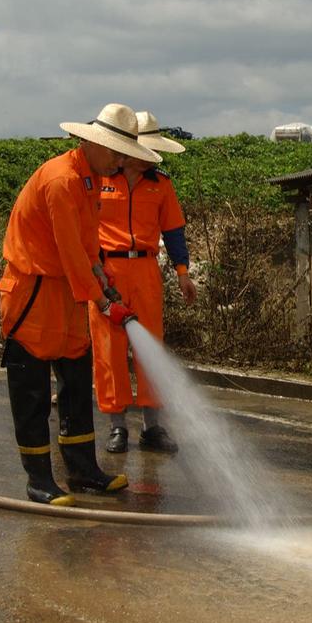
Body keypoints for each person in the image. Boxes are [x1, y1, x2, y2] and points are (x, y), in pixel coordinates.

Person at [0, 103, 160, 506]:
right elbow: (70, 254)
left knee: (74, 384)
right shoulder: (62, 181)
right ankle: (39, 480)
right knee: (32, 389)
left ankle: (83, 471)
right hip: (34, 292)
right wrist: (105, 303)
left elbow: (87, 248)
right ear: (91, 143)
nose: (121, 161)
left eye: (126, 155)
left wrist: (102, 280)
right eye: (116, 153)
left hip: (68, 294)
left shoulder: (90, 179)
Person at [89, 110, 198, 456]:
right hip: (108, 272)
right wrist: (92, 269)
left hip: (146, 270)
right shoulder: (101, 180)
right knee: (110, 351)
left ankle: (153, 427)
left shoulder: (160, 185)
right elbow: (82, 226)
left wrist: (183, 272)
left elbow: (174, 231)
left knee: (150, 349)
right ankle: (117, 426)